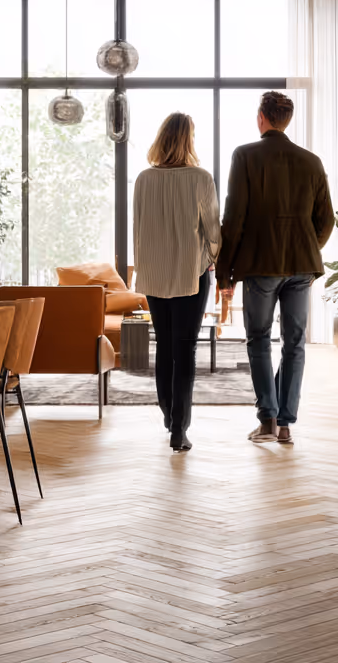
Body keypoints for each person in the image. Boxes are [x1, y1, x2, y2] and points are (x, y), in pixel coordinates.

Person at [217, 91, 334, 444]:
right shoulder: (311, 161)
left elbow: (234, 218)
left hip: (260, 266)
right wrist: (305, 248)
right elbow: (326, 220)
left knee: (258, 340)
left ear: (261, 118)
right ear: (286, 119)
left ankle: (267, 419)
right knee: (294, 343)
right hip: (301, 267)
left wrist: (226, 274)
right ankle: (285, 425)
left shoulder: (245, 156)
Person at [133, 112, 221, 452]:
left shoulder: (143, 179)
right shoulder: (201, 178)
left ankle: (169, 416)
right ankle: (179, 430)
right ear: (188, 140)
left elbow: (137, 230)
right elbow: (213, 231)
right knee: (185, 350)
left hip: (154, 275)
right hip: (191, 274)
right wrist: (213, 259)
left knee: (166, 347)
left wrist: (142, 269)